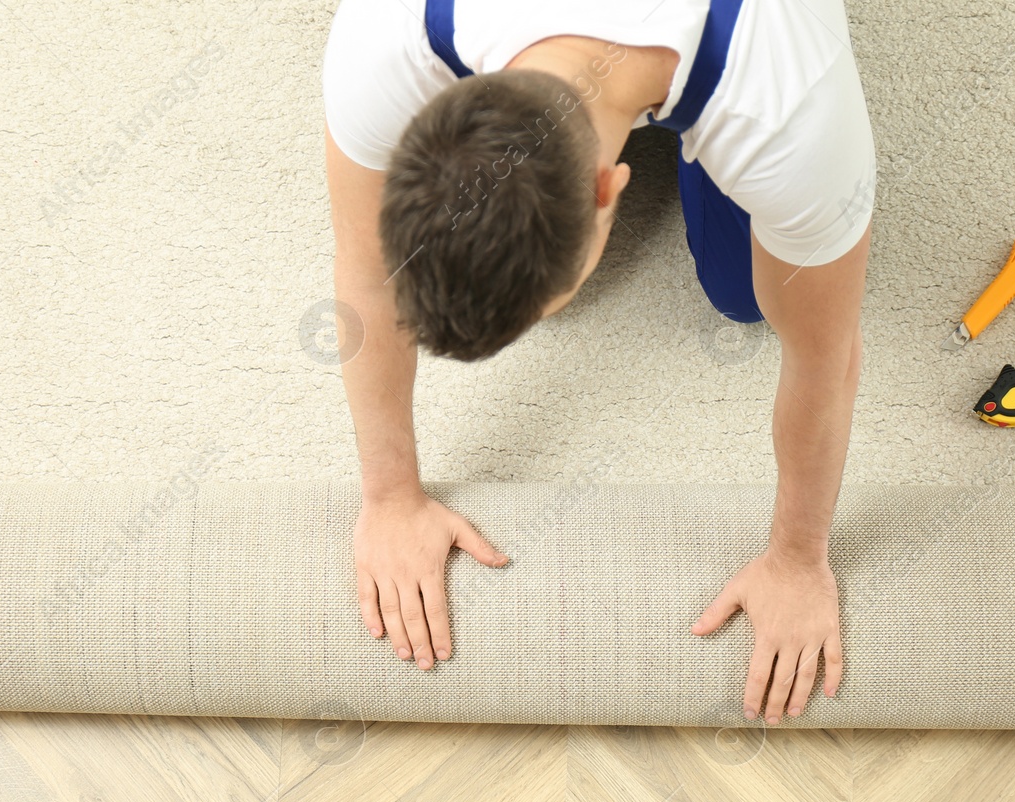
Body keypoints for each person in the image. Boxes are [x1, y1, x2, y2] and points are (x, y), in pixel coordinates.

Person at [321, 0, 876, 724]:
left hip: (729, 49)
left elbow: (826, 361)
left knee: (747, 295)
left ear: (609, 187)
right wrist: (389, 496)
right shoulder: (385, 36)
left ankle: (668, 136)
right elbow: (370, 271)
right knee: (497, 264)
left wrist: (799, 559)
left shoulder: (791, 102)